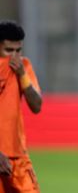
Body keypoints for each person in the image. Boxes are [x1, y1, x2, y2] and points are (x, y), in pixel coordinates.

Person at [0, 21, 42, 193]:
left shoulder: (23, 66)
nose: (14, 56)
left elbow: (37, 105)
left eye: (18, 50)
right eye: (9, 50)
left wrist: (22, 76)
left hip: (18, 158)